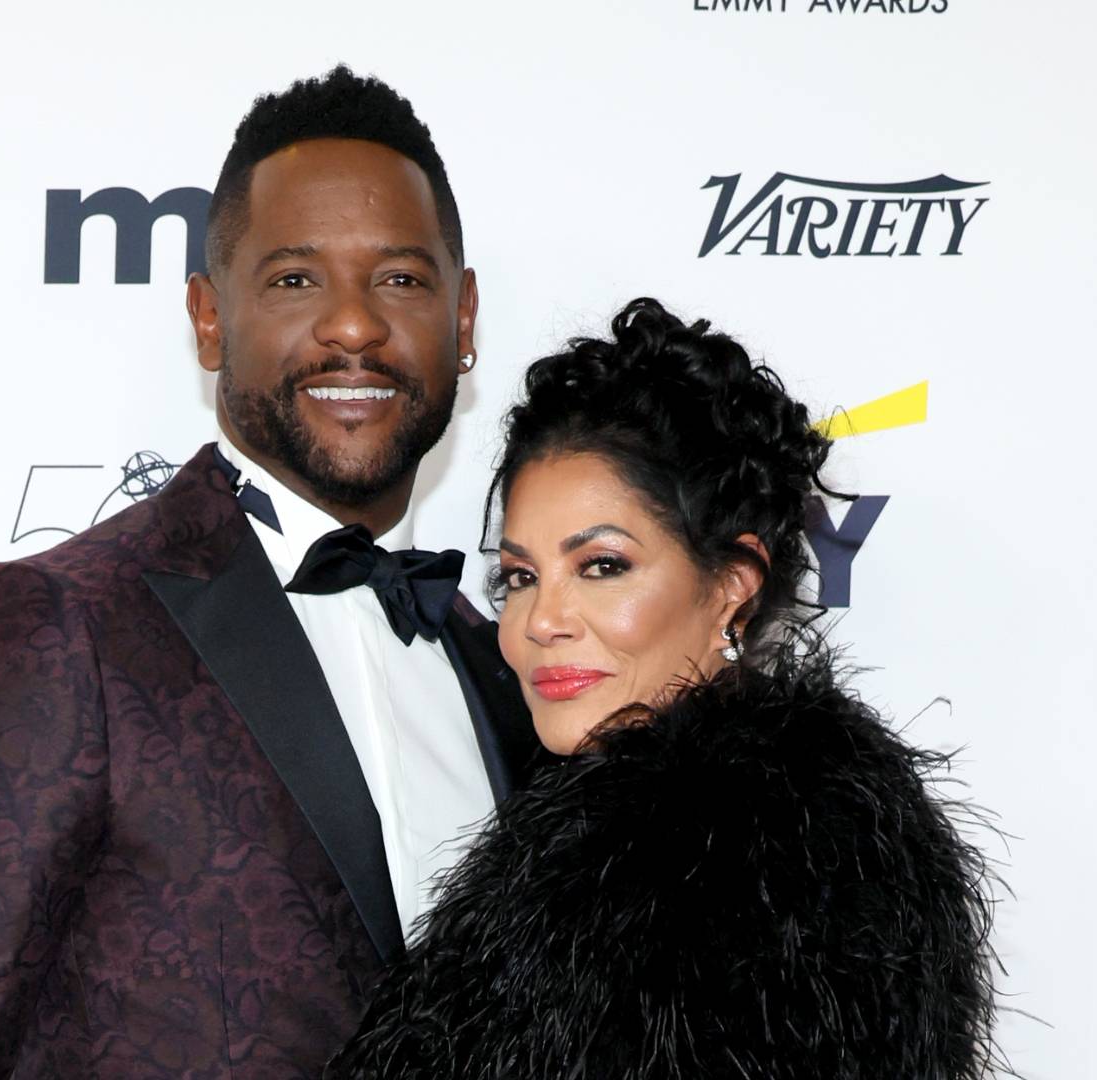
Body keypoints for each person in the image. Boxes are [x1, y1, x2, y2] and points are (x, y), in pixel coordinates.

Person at [0, 67, 539, 1079]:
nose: (356, 326)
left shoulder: (504, 665)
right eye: (294, 279)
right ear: (207, 319)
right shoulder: (57, 628)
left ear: (462, 325)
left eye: (401, 280)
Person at [327, 298, 1000, 1079]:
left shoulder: (762, 877)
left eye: (602, 566)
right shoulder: (588, 843)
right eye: (518, 576)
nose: (540, 620)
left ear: (731, 587)